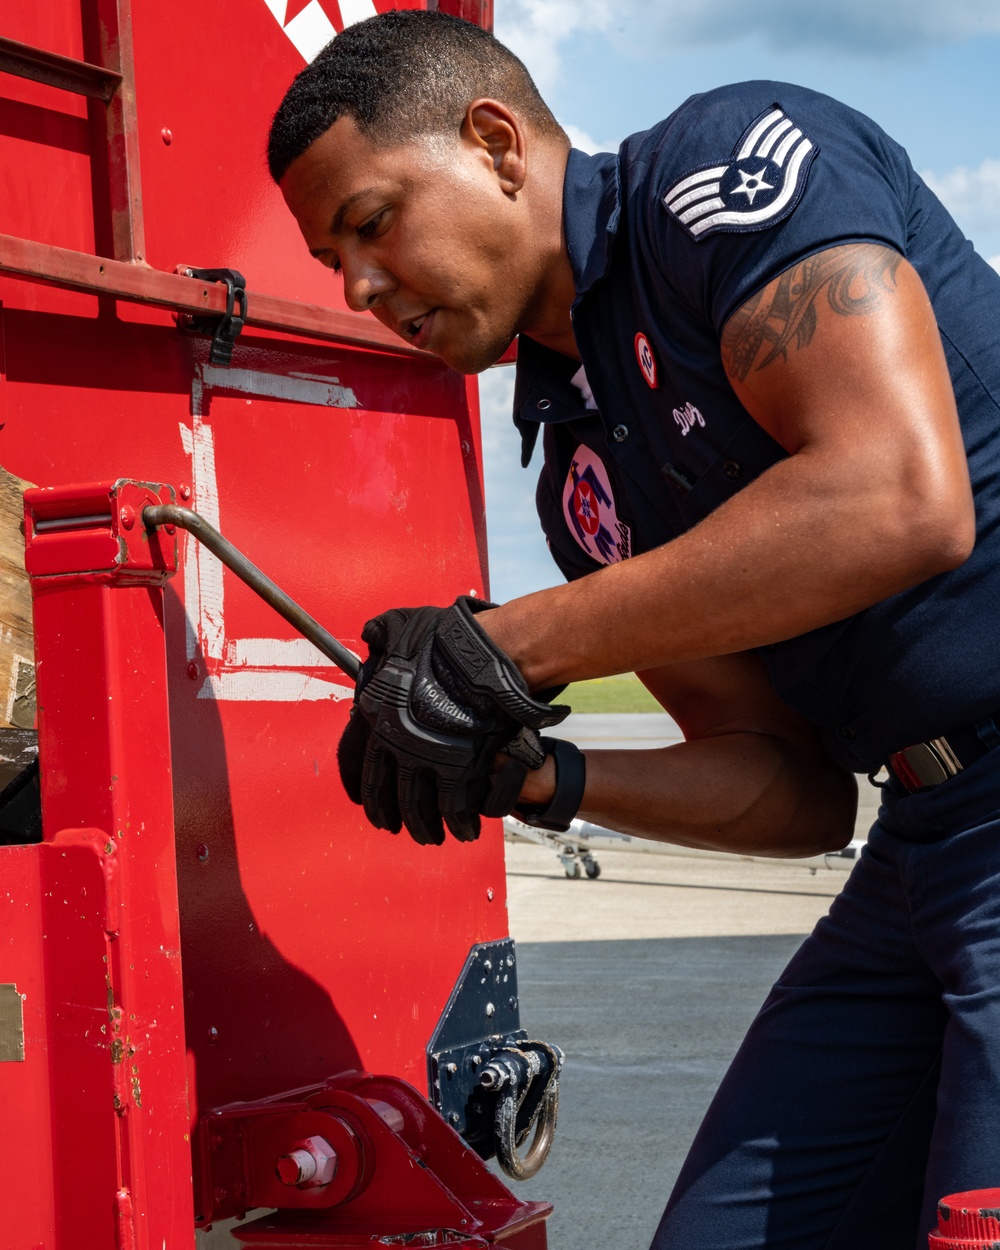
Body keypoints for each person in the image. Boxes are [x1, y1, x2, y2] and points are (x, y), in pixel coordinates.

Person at [266, 11, 1000, 1248]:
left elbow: (896, 496)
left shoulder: (726, 176)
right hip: (921, 839)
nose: (359, 287)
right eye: (332, 258)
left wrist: (510, 644)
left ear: (495, 141)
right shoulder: (578, 474)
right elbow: (794, 788)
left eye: (373, 221)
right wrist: (537, 772)